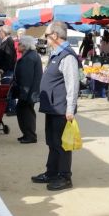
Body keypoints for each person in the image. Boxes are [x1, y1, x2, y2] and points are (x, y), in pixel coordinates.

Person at [32, 21, 80, 191]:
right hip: (52, 108)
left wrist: (70, 109)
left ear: (55, 35)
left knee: (62, 144)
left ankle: (65, 176)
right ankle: (51, 172)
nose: (46, 39)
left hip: (61, 109)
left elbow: (73, 84)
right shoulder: (56, 53)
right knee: (52, 141)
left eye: (46, 35)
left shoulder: (67, 56)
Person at [14, 35, 43, 144]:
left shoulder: (29, 58)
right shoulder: (31, 55)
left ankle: (30, 135)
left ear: (25, 46)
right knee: (26, 112)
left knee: (25, 112)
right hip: (30, 92)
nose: (18, 45)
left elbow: (26, 79)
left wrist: (23, 94)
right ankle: (28, 134)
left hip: (28, 92)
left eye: (20, 43)